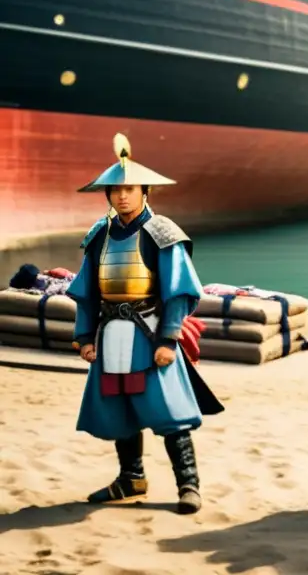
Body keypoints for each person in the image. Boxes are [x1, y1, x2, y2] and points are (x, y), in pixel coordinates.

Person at [68, 134, 223, 515]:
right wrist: (84, 336)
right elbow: (87, 292)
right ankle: (131, 478)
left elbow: (178, 291)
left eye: (130, 189)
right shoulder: (98, 236)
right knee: (120, 407)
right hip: (110, 336)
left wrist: (169, 339)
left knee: (168, 409)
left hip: (149, 333)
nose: (122, 196)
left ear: (144, 191)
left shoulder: (162, 233)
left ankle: (189, 484)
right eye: (115, 190)